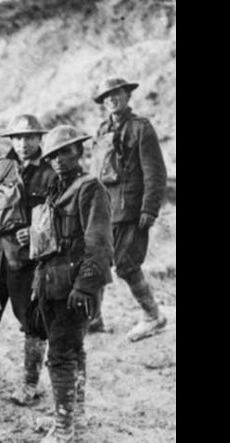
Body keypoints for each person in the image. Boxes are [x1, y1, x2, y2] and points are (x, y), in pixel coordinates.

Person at [32, 125, 113, 443]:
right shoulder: (56, 189)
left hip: (74, 286)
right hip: (52, 283)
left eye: (65, 152)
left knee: (61, 355)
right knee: (72, 350)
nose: (59, 160)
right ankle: (73, 415)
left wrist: (86, 286)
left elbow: (99, 243)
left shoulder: (89, 188)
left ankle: (64, 427)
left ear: (79, 152)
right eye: (52, 156)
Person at [0, 114, 58, 405]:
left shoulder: (51, 171)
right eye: (17, 138)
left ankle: (30, 384)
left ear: (39, 138)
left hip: (28, 259)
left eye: (29, 137)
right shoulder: (1, 166)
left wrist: (35, 234)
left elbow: (60, 213)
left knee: (33, 320)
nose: (22, 143)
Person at [89, 77, 168, 341]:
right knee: (97, 260)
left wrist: (150, 208)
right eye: (107, 96)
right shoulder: (101, 131)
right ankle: (94, 319)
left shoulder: (141, 128)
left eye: (117, 94)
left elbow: (155, 172)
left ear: (127, 97)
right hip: (105, 209)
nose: (112, 99)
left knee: (127, 264)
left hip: (131, 209)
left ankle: (152, 316)